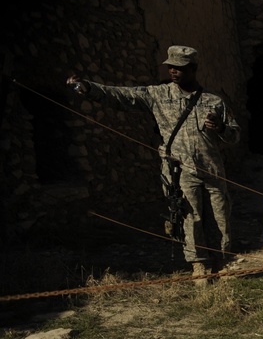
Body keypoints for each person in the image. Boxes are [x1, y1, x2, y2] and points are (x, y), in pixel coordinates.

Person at [67, 45, 240, 282]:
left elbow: (234, 135)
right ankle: (198, 265)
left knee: (221, 216)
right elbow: (121, 96)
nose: (173, 71)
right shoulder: (158, 95)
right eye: (170, 67)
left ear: (193, 69)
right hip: (179, 171)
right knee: (190, 218)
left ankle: (221, 262)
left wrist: (221, 128)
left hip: (211, 169)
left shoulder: (213, 101)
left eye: (179, 67)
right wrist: (88, 88)